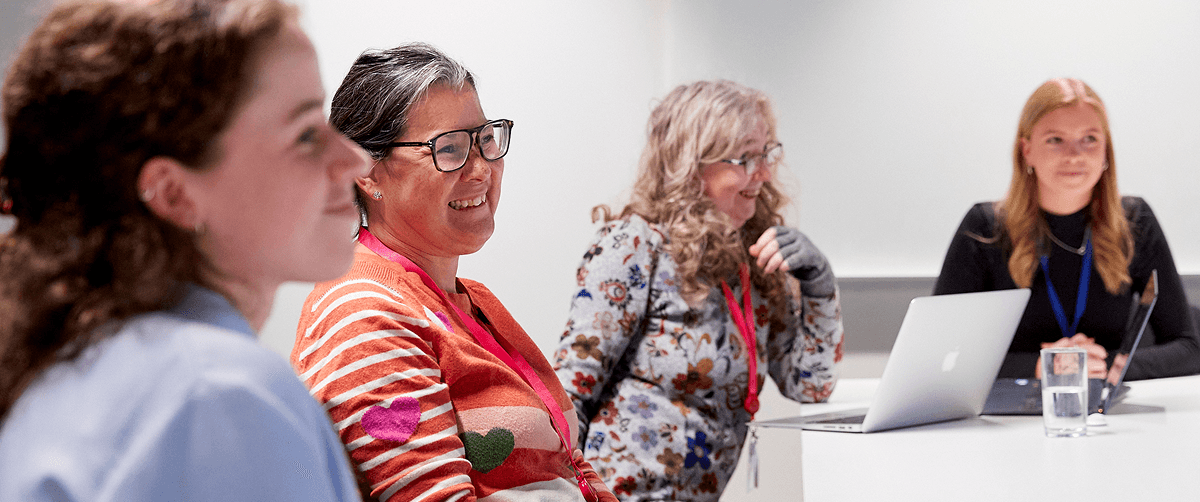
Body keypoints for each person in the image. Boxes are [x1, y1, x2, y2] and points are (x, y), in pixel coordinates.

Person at [0, 0, 367, 500]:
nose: (355, 160)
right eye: (305, 135)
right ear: (174, 194)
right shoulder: (219, 396)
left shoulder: (64, 372)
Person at [291, 43, 616, 502]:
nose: (482, 168)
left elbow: (565, 463)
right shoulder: (365, 311)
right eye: (449, 148)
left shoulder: (472, 299)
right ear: (366, 172)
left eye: (485, 139)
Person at [553, 80, 844, 501]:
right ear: (690, 166)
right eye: (744, 158)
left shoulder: (753, 257)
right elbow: (570, 396)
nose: (762, 173)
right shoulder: (634, 244)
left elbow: (810, 386)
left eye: (766, 154)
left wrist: (819, 283)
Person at [934, 78, 1200, 381]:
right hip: (1005, 419)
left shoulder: (1134, 222)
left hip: (1106, 416)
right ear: (1027, 150)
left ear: (1106, 153)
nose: (1074, 155)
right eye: (1055, 140)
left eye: (1089, 139)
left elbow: (1189, 347)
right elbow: (939, 355)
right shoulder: (985, 228)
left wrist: (1103, 366)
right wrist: (1042, 366)